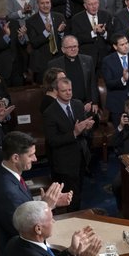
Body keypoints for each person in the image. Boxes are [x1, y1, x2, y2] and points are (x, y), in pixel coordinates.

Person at [0, 131, 71, 256]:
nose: (35, 159)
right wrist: (46, 206)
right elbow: (26, 229)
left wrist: (51, 203)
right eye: (31, 155)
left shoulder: (6, 174)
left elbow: (24, 206)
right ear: (15, 158)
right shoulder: (7, 190)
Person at [44, 77, 95, 212]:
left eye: (70, 90)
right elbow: (52, 141)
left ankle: (76, 214)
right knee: (69, 196)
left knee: (78, 192)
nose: (68, 93)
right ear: (56, 91)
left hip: (81, 157)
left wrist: (87, 128)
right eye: (64, 91)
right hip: (64, 162)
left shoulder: (77, 104)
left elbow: (82, 128)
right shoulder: (50, 113)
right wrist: (74, 133)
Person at [47, 36, 99, 115]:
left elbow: (92, 82)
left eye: (75, 46)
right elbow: (52, 88)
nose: (73, 49)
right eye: (69, 47)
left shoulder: (88, 60)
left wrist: (95, 102)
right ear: (63, 49)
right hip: (65, 106)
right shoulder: (54, 64)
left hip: (87, 105)